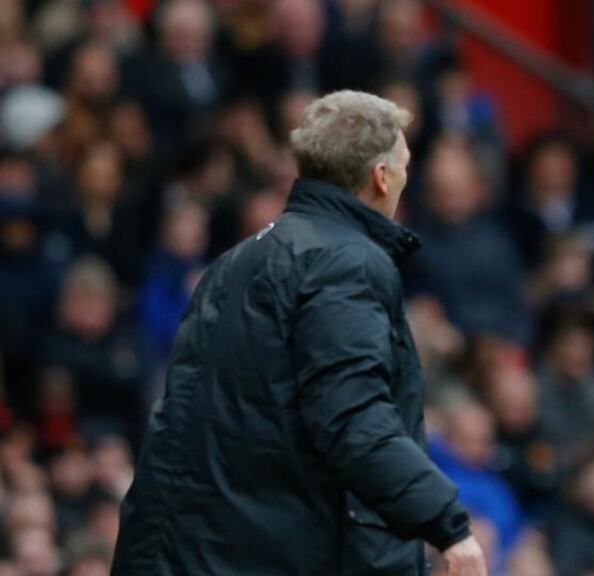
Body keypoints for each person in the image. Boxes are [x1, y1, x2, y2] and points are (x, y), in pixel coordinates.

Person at [112, 91, 487, 575]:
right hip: (268, 551)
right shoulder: (344, 261)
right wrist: (449, 527)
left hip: (193, 548)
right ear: (381, 176)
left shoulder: (236, 260)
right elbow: (351, 416)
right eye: (405, 165)